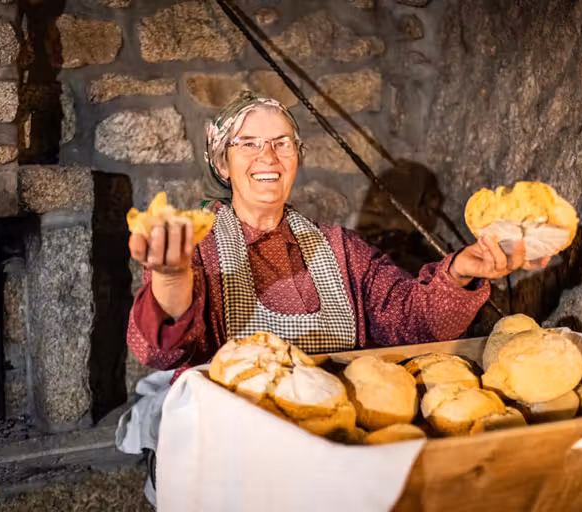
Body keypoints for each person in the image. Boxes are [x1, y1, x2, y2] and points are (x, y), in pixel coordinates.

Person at [118, 92, 549, 504]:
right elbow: (158, 352)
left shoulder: (340, 248)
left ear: (296, 158)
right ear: (222, 163)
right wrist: (172, 275)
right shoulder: (196, 243)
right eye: (247, 143)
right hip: (236, 457)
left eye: (281, 143)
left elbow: (412, 322)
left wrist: (458, 272)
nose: (267, 156)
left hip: (330, 450)